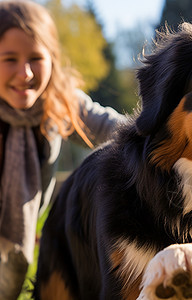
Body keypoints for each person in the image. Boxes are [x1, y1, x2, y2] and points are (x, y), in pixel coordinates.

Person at [0, 1, 127, 299]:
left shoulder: (59, 102)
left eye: (35, 58)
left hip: (15, 249)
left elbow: (117, 130)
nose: (25, 73)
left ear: (52, 59)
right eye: (9, 59)